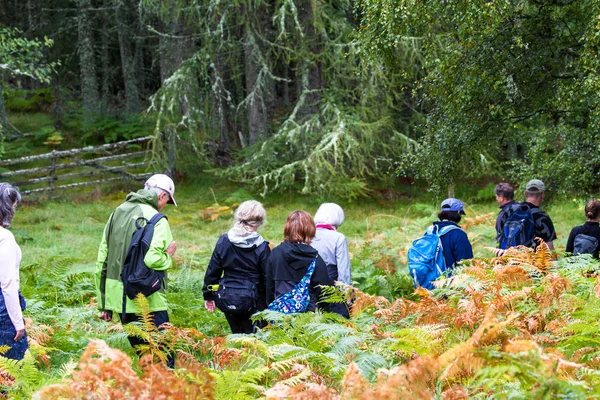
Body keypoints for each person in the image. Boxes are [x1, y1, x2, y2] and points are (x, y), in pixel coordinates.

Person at [95, 174, 177, 367]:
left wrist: (104, 303)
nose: (165, 206)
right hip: (149, 300)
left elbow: (102, 260)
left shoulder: (116, 213)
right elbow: (153, 259)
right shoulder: (158, 220)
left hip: (119, 301)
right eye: (167, 201)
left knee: (145, 357)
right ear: (162, 197)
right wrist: (169, 256)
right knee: (164, 358)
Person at [202, 200, 271, 334]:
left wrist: (208, 295)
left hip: (227, 297)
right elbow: (268, 279)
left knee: (237, 334)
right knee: (254, 339)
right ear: (258, 222)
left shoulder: (224, 240)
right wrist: (270, 304)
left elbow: (213, 271)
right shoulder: (262, 247)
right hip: (254, 300)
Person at [266, 210, 333, 312]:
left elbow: (269, 286)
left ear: (287, 228)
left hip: (279, 314)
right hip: (309, 316)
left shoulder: (275, 253)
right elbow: (323, 293)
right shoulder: (316, 259)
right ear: (310, 230)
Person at [0, 183, 28, 360]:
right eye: (13, 207)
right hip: (3, 312)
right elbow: (8, 284)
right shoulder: (5, 239)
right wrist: (18, 323)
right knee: (15, 370)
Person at [311, 203, 351, 285]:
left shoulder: (306, 235)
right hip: (330, 285)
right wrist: (346, 293)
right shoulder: (339, 238)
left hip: (307, 285)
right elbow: (343, 271)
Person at [434, 198, 473, 269]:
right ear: (458, 212)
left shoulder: (432, 230)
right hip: (450, 278)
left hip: (430, 277)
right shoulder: (458, 234)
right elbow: (466, 263)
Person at [521, 179, 556, 250]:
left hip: (510, 258)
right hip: (533, 260)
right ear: (542, 194)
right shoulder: (542, 217)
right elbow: (550, 251)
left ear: (525, 193)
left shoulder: (512, 212)